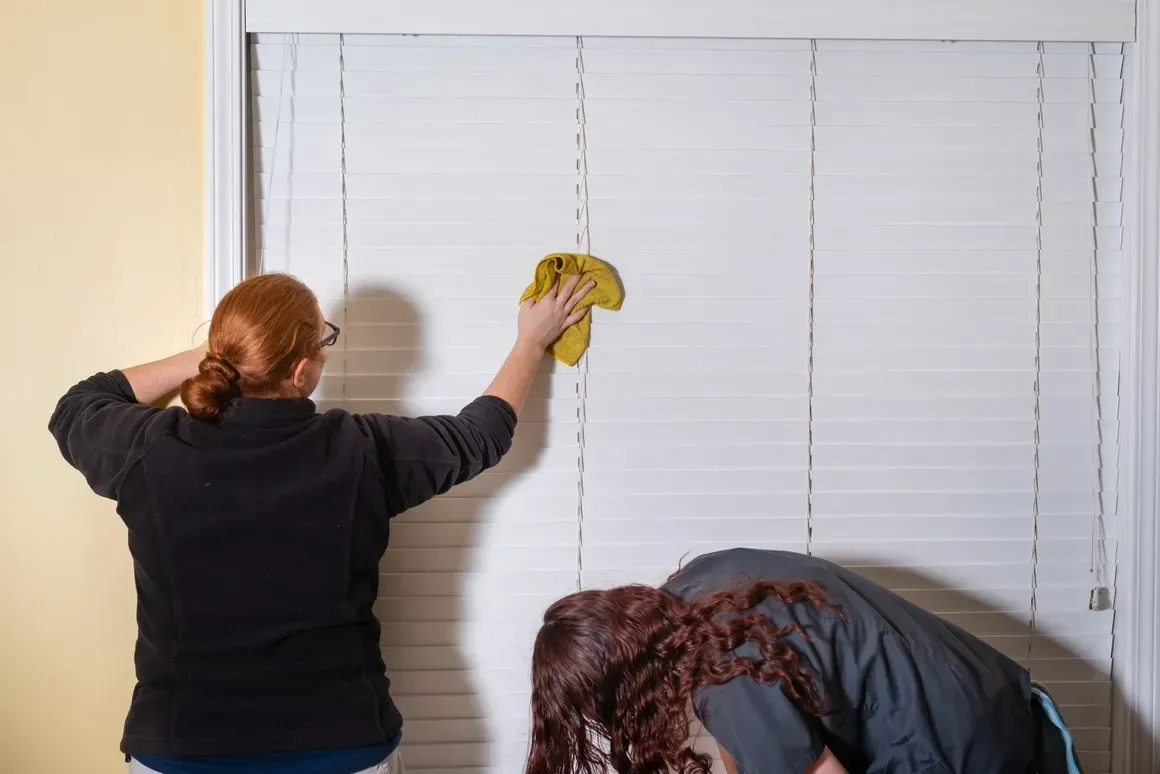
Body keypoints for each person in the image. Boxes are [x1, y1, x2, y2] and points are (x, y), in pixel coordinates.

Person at [49, 271, 595, 774]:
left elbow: (77, 405)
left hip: (180, 749)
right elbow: (481, 434)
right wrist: (530, 340)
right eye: (324, 340)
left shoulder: (149, 448)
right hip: (342, 745)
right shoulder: (361, 450)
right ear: (302, 369)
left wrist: (209, 357)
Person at [525, 547, 1083, 774]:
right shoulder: (700, 584)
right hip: (1004, 700)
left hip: (974, 754)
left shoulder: (724, 684)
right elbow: (760, 732)